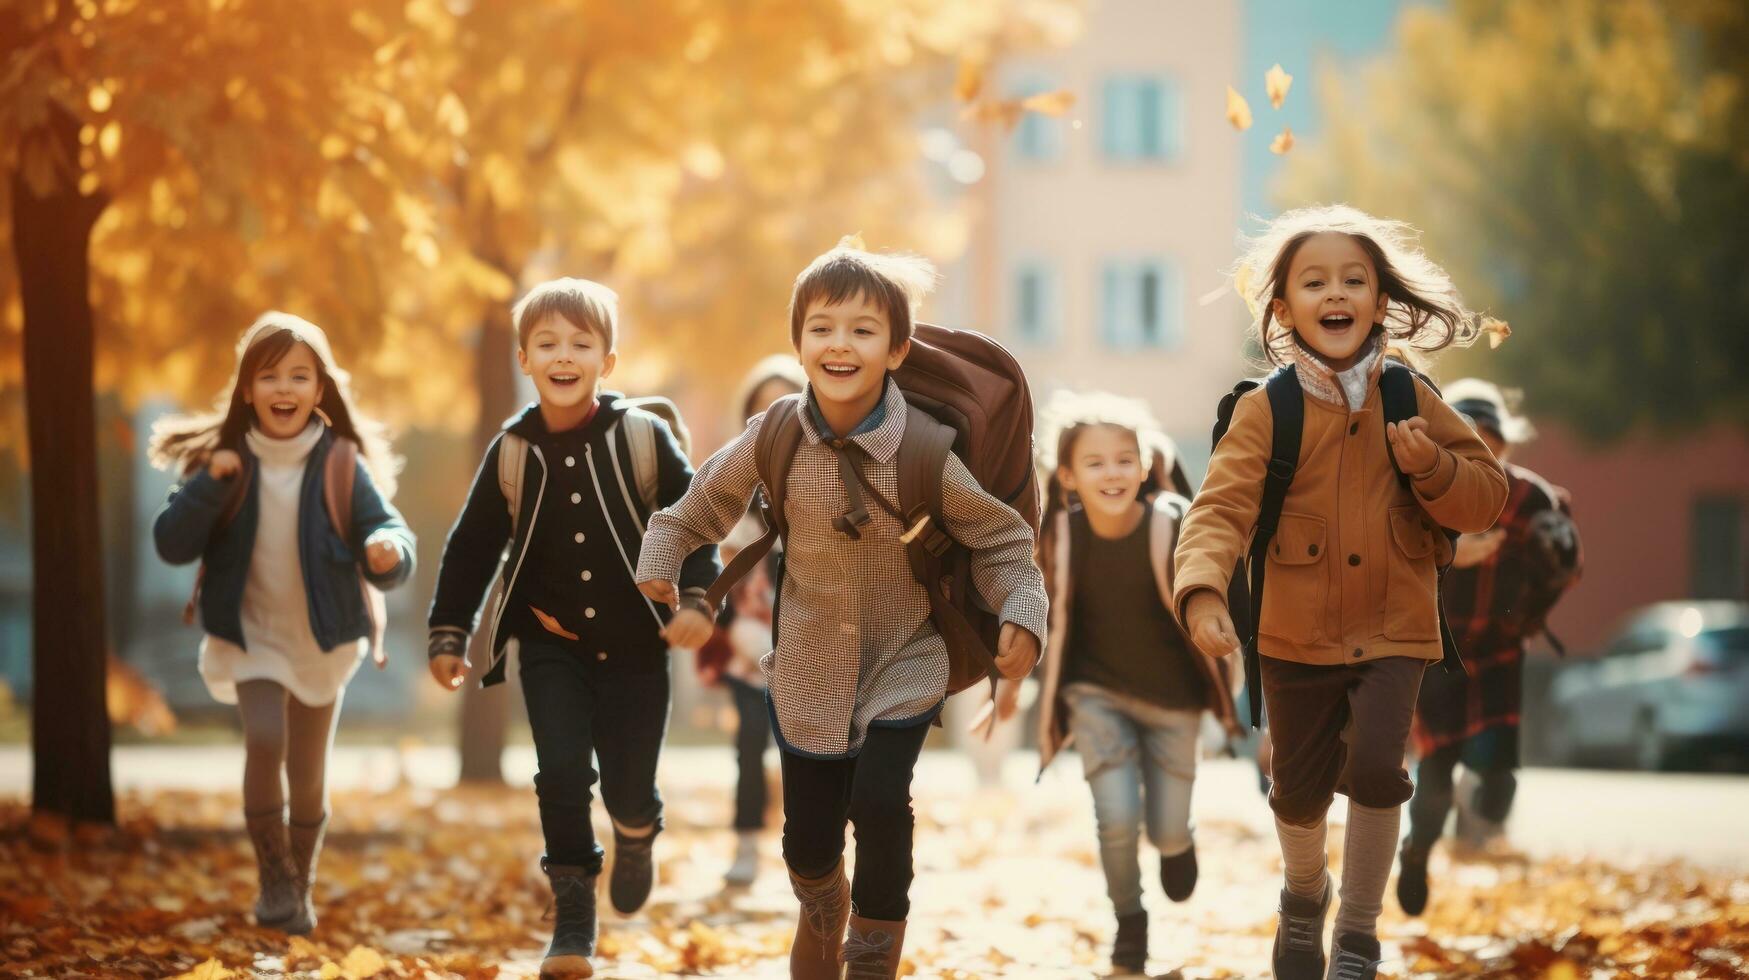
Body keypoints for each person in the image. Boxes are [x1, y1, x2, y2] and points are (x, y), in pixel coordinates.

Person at [636, 239, 1047, 979]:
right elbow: (691, 512)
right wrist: (660, 570)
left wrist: (1023, 612)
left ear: (895, 350)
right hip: (808, 664)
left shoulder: (925, 449)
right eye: (822, 327)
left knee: (884, 801)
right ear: (798, 344)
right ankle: (822, 902)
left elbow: (1001, 540)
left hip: (906, 654)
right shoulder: (774, 436)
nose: (840, 343)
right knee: (808, 843)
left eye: (862, 330)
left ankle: (872, 952)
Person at [1175, 206, 1508, 979]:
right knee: (1294, 789)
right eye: (1314, 281)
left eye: (1353, 280)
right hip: (1292, 632)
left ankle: (1356, 936)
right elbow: (1218, 509)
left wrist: (1431, 467)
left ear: (1380, 303)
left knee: (1377, 773)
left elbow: (1484, 498)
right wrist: (1200, 592)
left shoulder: (1410, 397)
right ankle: (1303, 895)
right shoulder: (1268, 409)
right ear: (1283, 308)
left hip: (1396, 627)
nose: (1336, 293)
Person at [425, 278, 719, 978]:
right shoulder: (511, 451)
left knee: (624, 786)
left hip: (639, 649)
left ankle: (638, 827)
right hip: (549, 643)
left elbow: (695, 520)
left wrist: (697, 599)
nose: (564, 356)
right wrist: (447, 632)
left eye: (581, 344)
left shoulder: (640, 438)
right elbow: (470, 547)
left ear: (606, 361)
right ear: (524, 358)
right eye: (547, 343)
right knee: (559, 771)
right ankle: (572, 917)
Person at [151, 311, 415, 935]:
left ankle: (299, 886)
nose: (285, 389)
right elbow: (170, 541)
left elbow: (389, 528)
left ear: (319, 390)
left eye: (300, 376)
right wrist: (211, 486)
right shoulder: (225, 463)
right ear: (247, 390)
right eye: (270, 377)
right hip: (249, 632)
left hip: (321, 637)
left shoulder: (340, 464)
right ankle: (274, 879)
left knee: (308, 770)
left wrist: (386, 550)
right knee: (264, 737)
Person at [1002, 389, 1238, 975]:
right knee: (1114, 817)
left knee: (1161, 828)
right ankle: (1129, 923)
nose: (1113, 473)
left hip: (1174, 703)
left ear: (1145, 465)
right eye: (1096, 462)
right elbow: (1040, 613)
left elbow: (1212, 587)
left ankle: (1177, 842)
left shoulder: (1170, 525)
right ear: (1067, 475)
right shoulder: (1057, 535)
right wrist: (1010, 685)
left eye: (1124, 460)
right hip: (1094, 694)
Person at [1398, 378, 1580, 916]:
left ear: (1504, 444)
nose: (1478, 449)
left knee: (1497, 775)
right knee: (1436, 771)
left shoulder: (1530, 496)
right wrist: (1452, 553)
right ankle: (1418, 851)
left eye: (1489, 439)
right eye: (1464, 436)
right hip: (1435, 646)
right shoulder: (1416, 492)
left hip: (1498, 646)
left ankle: (1482, 813)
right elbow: (1390, 562)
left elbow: (1565, 569)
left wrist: (1540, 585)